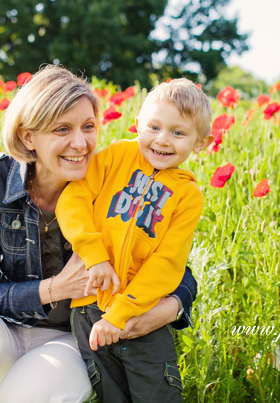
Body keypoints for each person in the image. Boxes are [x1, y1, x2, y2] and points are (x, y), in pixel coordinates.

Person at [0, 65, 198, 403]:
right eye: (62, 129)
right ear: (28, 137)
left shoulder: (112, 179)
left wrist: (173, 307)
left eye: (88, 127)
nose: (80, 143)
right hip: (3, 331)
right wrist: (53, 289)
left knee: (25, 395)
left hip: (69, 339)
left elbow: (172, 265)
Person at [57, 78, 214, 402]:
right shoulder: (115, 157)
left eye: (178, 132)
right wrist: (95, 256)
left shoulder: (187, 196)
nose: (162, 140)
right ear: (137, 124)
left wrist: (122, 314)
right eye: (154, 127)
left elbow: (167, 264)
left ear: (200, 143)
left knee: (157, 394)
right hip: (90, 310)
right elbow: (74, 199)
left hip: (143, 317)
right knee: (111, 395)